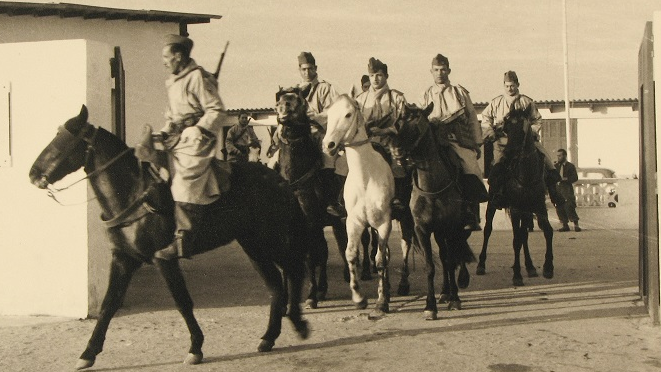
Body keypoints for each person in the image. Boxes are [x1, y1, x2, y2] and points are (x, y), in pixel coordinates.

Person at [152, 34, 226, 260]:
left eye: (167, 56)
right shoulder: (173, 82)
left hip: (197, 139)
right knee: (151, 163)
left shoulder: (197, 77)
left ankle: (184, 238)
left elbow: (216, 110)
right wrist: (163, 132)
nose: (164, 61)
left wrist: (200, 129)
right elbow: (173, 117)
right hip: (176, 137)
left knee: (184, 178)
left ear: (179, 55)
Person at [419, 53, 487, 230]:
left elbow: (472, 117)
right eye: (436, 70)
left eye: (443, 70)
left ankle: (471, 214)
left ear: (449, 70)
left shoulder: (459, 92)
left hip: (456, 140)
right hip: (433, 141)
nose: (440, 73)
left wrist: (476, 143)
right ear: (431, 72)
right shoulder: (426, 94)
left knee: (470, 167)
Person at [481, 70, 562, 208]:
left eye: (512, 85)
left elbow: (537, 119)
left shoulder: (527, 102)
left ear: (517, 85)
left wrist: (532, 133)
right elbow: (485, 118)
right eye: (507, 86)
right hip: (503, 142)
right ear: (504, 86)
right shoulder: (496, 102)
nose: (510, 89)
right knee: (498, 166)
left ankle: (554, 191)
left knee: (544, 156)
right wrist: (490, 132)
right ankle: (497, 194)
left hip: (525, 141)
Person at [354, 57, 408, 214]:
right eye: (372, 76)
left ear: (386, 76)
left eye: (379, 75)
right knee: (345, 164)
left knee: (399, 163)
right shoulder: (360, 99)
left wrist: (385, 131)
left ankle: (398, 197)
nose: (375, 79)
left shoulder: (396, 97)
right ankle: (343, 201)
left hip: (389, 141)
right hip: (367, 143)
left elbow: (403, 123)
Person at [294, 51, 344, 217]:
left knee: (328, 158)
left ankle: (331, 201)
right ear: (299, 70)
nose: (307, 73)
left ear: (315, 68)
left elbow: (335, 110)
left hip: (321, 133)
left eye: (310, 69)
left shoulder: (325, 88)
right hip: (301, 136)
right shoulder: (294, 90)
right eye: (303, 69)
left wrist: (317, 117)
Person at [555, 149, 581, 232]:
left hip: (567, 188)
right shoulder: (556, 166)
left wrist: (566, 179)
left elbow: (575, 178)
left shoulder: (570, 166)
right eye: (557, 156)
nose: (558, 157)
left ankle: (576, 224)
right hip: (558, 188)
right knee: (559, 206)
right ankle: (565, 224)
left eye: (560, 155)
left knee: (569, 205)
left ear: (565, 156)